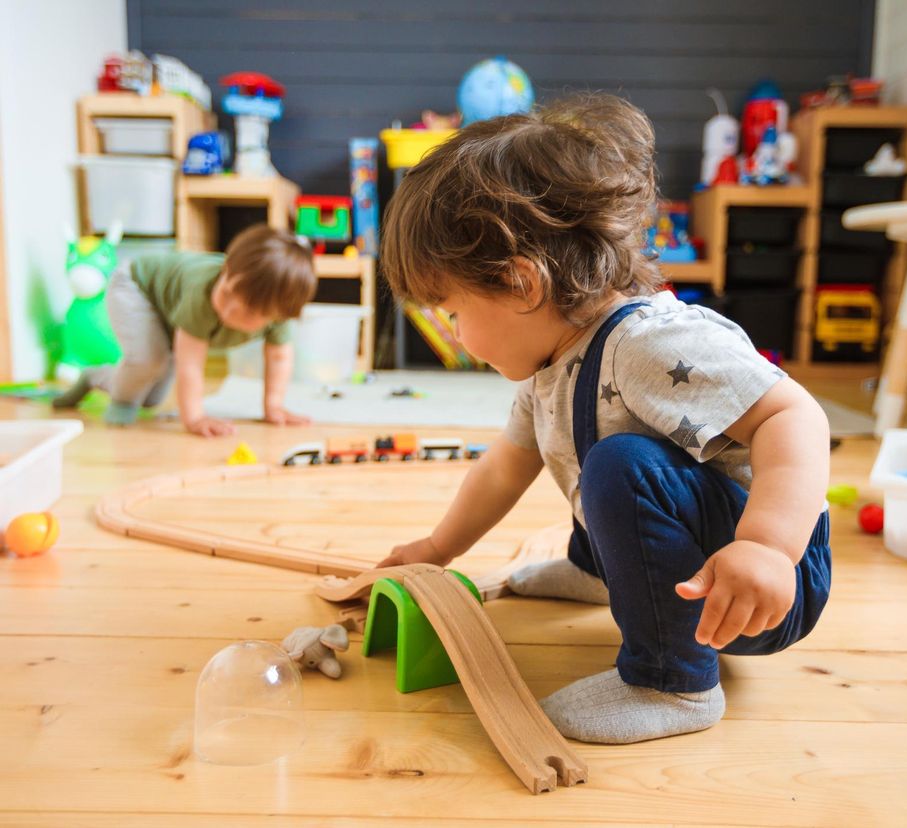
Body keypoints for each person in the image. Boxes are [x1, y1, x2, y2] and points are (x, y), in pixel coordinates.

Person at [376, 95, 832, 744]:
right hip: (706, 566)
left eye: (451, 310)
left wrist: (766, 546)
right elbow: (505, 467)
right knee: (583, 443)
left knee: (619, 463)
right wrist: (437, 550)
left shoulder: (649, 343)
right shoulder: (550, 360)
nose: (452, 334)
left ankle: (673, 683)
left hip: (760, 583)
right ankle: (601, 574)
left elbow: (796, 414)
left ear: (521, 283)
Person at [54, 224, 317, 437]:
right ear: (226, 268)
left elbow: (279, 357)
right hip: (136, 287)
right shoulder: (201, 292)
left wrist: (273, 406)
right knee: (149, 363)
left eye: (246, 311)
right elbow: (190, 363)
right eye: (226, 292)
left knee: (150, 399)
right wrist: (194, 418)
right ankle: (121, 402)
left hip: (170, 312)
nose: (226, 310)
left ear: (276, 316)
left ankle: (94, 377)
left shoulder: (277, 312)